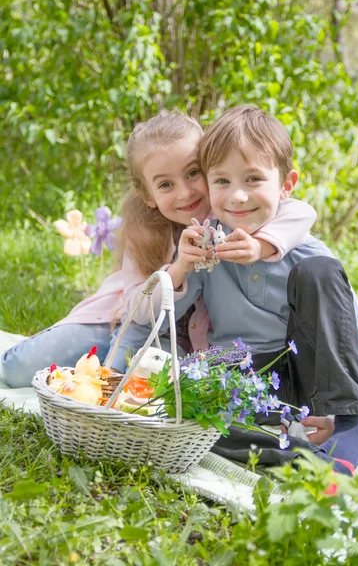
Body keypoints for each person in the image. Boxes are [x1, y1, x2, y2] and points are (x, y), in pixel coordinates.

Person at [123, 105, 358, 475]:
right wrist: (181, 266)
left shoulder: (306, 251)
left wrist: (341, 399)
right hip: (240, 372)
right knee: (175, 402)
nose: (238, 197)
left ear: (287, 184)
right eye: (222, 182)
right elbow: (148, 316)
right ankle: (294, 456)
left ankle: (350, 426)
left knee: (319, 271)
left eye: (254, 180)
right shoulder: (207, 246)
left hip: (309, 376)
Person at [2, 110, 316, 388]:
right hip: (116, 324)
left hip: (178, 345)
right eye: (165, 184)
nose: (185, 192)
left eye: (194, 173)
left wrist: (260, 247)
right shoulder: (145, 229)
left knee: (159, 390)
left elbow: (300, 212)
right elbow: (137, 314)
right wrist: (179, 270)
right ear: (148, 194)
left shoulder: (231, 211)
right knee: (19, 370)